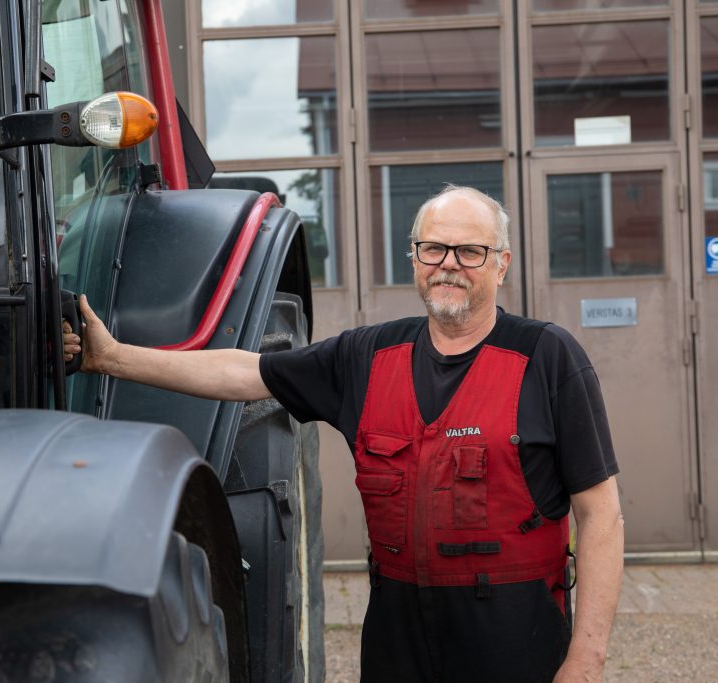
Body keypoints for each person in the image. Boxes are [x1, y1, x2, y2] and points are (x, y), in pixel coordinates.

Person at [62, 185, 624, 683]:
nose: (448, 264)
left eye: (470, 251)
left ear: (500, 264)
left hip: (515, 638)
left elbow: (601, 515)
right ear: (414, 257)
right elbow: (242, 372)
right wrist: (114, 358)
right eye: (434, 248)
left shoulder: (547, 359)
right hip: (399, 638)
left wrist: (586, 660)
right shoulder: (367, 357)